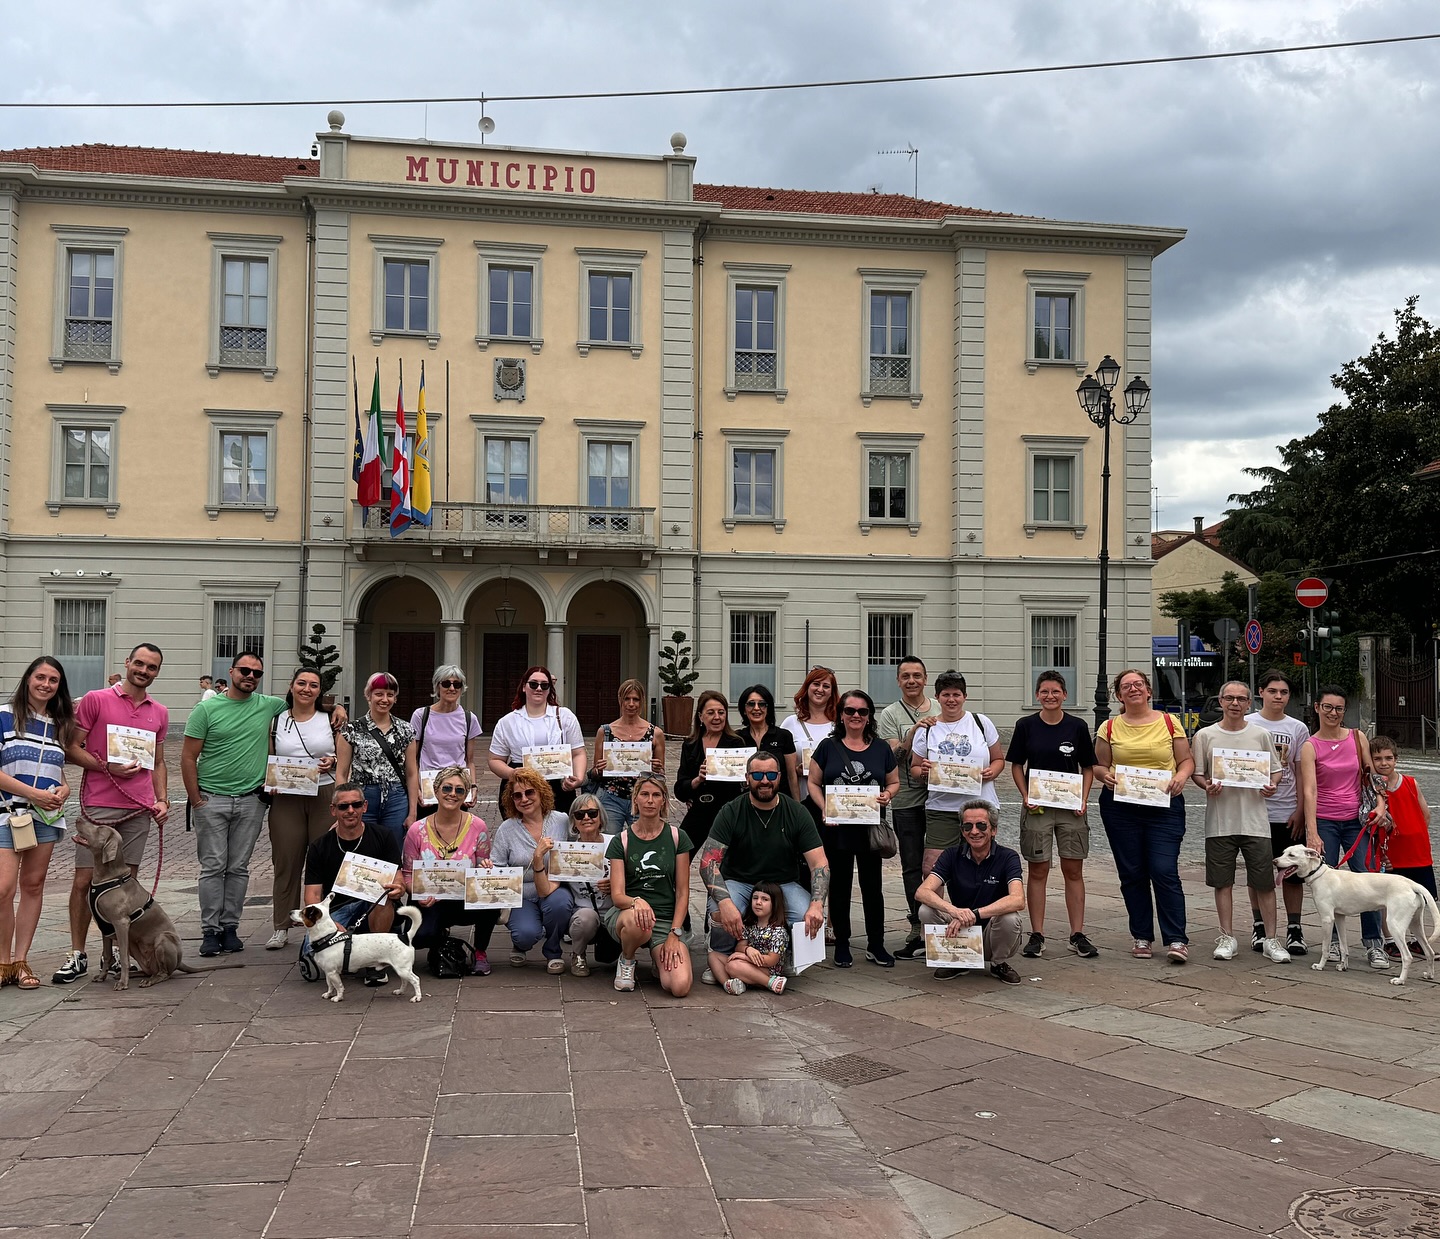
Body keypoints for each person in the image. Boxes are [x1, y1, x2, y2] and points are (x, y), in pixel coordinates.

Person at [56, 643, 169, 985]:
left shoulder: (159, 712)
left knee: (125, 886)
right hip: (99, 807)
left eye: (151, 667)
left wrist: (162, 800)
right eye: (139, 663)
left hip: (138, 809)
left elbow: (158, 762)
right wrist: (108, 767)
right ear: (128, 662)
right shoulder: (96, 699)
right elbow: (71, 749)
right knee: (84, 882)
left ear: (157, 672)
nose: (144, 671)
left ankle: (119, 951)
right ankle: (78, 954)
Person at [182, 650, 292, 958]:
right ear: (231, 672)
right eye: (245, 670)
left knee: (238, 868)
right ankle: (210, 930)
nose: (250, 676)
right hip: (211, 799)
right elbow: (188, 757)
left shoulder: (269, 706)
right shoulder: (206, 709)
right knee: (213, 867)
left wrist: (337, 708)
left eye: (257, 673)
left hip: (250, 801)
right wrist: (196, 799)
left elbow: (303, 703)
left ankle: (230, 927)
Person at [700, 751, 829, 985]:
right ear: (747, 777)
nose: (765, 781)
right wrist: (726, 903)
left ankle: (784, 955)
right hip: (739, 880)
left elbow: (819, 863)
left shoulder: (796, 812)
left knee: (805, 914)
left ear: (779, 776)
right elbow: (708, 862)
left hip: (782, 883)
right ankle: (720, 954)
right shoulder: (731, 811)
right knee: (721, 910)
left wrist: (817, 904)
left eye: (771, 774)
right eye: (758, 775)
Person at [1093, 668, 1194, 963]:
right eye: (1126, 686)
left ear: (1148, 690)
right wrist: (1104, 776)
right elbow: (1099, 765)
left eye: (1138, 684)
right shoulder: (1109, 727)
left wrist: (1181, 777)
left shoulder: (1169, 722)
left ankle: (1176, 938)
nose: (1133, 689)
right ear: (1119, 695)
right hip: (1121, 809)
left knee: (1164, 870)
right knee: (1132, 872)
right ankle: (1142, 936)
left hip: (1164, 806)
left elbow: (1186, 760)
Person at [1190, 682, 1289, 963]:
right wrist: (1206, 785)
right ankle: (1227, 936)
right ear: (1221, 701)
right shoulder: (1205, 735)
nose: (1235, 703)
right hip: (1220, 821)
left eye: (1241, 699)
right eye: (1230, 698)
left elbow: (1276, 770)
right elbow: (1198, 773)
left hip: (1256, 822)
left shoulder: (1260, 734)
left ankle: (1271, 939)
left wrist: (1272, 785)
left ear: (1249, 703)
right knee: (1222, 883)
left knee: (1265, 883)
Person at [1006, 670, 1098, 960]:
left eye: (1055, 691)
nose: (1050, 696)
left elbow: (1088, 767)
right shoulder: (1026, 725)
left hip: (1071, 808)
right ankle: (1037, 934)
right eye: (1044, 692)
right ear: (1037, 695)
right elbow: (1016, 765)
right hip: (1038, 808)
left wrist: (1083, 799)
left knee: (1073, 870)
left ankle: (1077, 934)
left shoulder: (1077, 726)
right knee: (1038, 870)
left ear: (1065, 695)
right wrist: (1025, 795)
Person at [807, 689, 898, 968]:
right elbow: (813, 782)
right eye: (850, 710)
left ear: (869, 716)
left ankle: (876, 944)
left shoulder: (881, 748)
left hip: (869, 829)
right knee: (840, 887)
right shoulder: (828, 746)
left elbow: (894, 782)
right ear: (841, 715)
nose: (856, 715)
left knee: (873, 888)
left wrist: (888, 795)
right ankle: (843, 944)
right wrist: (823, 807)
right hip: (837, 828)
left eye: (862, 711)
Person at [1299, 684, 1388, 970]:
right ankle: (1335, 944)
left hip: (1356, 821)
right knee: (1328, 884)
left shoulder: (1357, 737)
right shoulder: (1310, 746)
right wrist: (1312, 832)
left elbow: (1371, 776)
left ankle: (1374, 943)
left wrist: (1381, 804)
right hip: (1325, 820)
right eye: (1327, 707)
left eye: (1339, 708)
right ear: (1317, 708)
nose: (1333, 713)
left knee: (1367, 879)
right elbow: (1310, 790)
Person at [0, 657, 75, 990]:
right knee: (3, 889)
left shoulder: (59, 723)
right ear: (28, 679)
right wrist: (32, 794)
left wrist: (64, 789)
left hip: (45, 816)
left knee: (33, 886)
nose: (46, 684)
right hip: (8, 813)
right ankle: (3, 961)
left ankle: (21, 961)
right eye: (40, 677)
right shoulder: (4, 715)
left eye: (53, 680)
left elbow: (56, 769)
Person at [263, 668, 339, 951]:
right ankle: (281, 925)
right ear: (291, 686)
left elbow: (342, 754)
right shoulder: (277, 720)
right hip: (286, 797)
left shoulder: (330, 719)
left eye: (313, 685)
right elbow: (269, 756)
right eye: (302, 683)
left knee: (324, 860)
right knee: (286, 861)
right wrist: (270, 780)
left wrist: (332, 761)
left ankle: (324, 925)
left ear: (320, 691)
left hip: (323, 794)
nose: (307, 689)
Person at [302, 781, 407, 985]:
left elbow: (398, 878)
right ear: (333, 810)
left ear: (364, 807)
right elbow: (312, 896)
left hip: (373, 907)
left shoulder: (383, 836)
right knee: (310, 954)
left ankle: (376, 964)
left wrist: (398, 888)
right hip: (336, 910)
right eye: (343, 806)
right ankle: (353, 951)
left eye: (356, 805)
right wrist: (330, 925)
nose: (351, 810)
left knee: (383, 897)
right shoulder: (319, 846)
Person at [401, 765, 498, 975]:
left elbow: (482, 868)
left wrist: (486, 868)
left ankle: (480, 952)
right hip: (431, 900)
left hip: (464, 899)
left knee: (491, 900)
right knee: (420, 937)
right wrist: (417, 894)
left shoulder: (478, 827)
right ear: (436, 790)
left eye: (459, 790)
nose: (452, 794)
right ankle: (438, 941)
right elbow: (407, 874)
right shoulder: (416, 830)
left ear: (465, 796)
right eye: (447, 788)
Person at [916, 799, 1025, 983]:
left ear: (994, 830)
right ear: (962, 831)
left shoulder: (1008, 857)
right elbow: (922, 891)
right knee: (925, 910)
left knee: (1010, 918)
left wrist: (975, 914)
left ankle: (998, 963)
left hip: (991, 931)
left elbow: (1018, 900)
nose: (974, 831)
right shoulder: (951, 854)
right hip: (958, 929)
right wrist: (954, 911)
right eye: (968, 826)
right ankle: (957, 960)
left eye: (981, 825)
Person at [604, 772, 693, 996]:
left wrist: (674, 934)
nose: (650, 800)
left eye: (656, 795)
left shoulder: (678, 837)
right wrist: (637, 901)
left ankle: (658, 958)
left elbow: (683, 893)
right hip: (629, 914)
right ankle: (627, 960)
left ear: (664, 800)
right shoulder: (621, 841)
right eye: (644, 794)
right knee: (639, 922)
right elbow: (617, 895)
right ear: (635, 799)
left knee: (679, 986)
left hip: (664, 918)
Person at [1244, 670, 1313, 956]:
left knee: (1293, 874)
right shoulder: (1248, 723)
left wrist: (1300, 809)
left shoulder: (1298, 728)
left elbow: (1300, 771)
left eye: (1283, 692)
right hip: (1255, 812)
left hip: (1286, 812)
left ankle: (1294, 928)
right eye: (1273, 691)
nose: (1278, 696)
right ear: (1261, 692)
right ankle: (1259, 925)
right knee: (1258, 873)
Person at [910, 670, 1004, 876]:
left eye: (956, 694)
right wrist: (923, 771)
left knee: (980, 865)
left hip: (980, 805)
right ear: (937, 697)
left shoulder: (980, 722)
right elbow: (915, 768)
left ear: (964, 696)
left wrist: (992, 772)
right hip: (942, 807)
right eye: (946, 695)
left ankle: (976, 899)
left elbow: (998, 759)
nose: (951, 700)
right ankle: (933, 900)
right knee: (932, 868)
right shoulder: (927, 729)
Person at [877, 655, 936, 958]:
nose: (912, 681)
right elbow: (893, 757)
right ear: (898, 681)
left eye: (917, 675)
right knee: (912, 865)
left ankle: (942, 919)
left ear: (925, 679)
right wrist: (912, 734)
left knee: (941, 863)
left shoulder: (941, 707)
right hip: (906, 800)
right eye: (906, 676)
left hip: (941, 799)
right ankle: (917, 924)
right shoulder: (890, 714)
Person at [490, 766, 575, 972]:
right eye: (517, 795)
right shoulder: (507, 829)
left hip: (554, 887)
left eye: (529, 792)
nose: (524, 799)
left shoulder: (562, 820)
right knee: (526, 934)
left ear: (541, 792)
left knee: (561, 905)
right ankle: (521, 944)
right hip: (521, 894)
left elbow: (576, 852)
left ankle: (553, 950)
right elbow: (497, 866)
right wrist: (488, 869)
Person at [1369, 736, 1436, 959]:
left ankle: (1417, 940)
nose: (1384, 763)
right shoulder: (1373, 788)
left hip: (1417, 852)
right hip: (1391, 854)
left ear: (1396, 759)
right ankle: (1390, 941)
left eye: (1388, 758)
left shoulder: (1410, 782)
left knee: (1420, 899)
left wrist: (1415, 834)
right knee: (1389, 899)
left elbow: (1425, 814)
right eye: (1378, 758)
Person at [335, 672, 418, 849]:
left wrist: (412, 812)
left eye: (390, 694)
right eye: (379, 694)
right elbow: (341, 773)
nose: (384, 699)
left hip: (396, 798)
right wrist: (342, 805)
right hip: (362, 796)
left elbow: (411, 773)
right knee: (362, 848)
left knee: (393, 848)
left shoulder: (406, 730)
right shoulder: (351, 730)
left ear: (395, 698)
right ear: (369, 696)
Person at [487, 666, 586, 814]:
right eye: (533, 684)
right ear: (524, 687)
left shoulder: (565, 716)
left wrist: (578, 777)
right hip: (521, 784)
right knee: (520, 827)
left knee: (559, 826)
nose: (539, 688)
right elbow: (494, 759)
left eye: (544, 685)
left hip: (558, 784)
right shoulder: (507, 722)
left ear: (549, 689)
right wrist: (511, 773)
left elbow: (578, 752)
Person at [674, 690, 751, 853]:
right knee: (679, 854)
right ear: (700, 716)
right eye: (711, 713)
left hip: (728, 814)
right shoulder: (690, 744)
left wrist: (745, 780)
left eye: (721, 712)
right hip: (699, 811)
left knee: (726, 861)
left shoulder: (737, 743)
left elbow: (743, 787)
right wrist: (697, 780)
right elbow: (680, 789)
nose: (717, 717)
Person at [410, 665, 482, 819]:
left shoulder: (469, 718)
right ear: (437, 686)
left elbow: (469, 761)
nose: (452, 688)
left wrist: (473, 786)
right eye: (446, 683)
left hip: (457, 787)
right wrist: (416, 789)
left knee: (457, 830)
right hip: (429, 788)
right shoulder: (421, 715)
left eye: (457, 684)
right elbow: (412, 759)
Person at [590, 678, 664, 830]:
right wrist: (599, 769)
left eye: (635, 699)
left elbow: (660, 776)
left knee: (643, 840)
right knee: (609, 840)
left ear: (642, 701)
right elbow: (594, 772)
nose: (631, 704)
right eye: (627, 699)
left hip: (642, 798)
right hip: (611, 797)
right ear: (620, 700)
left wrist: (657, 768)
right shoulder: (605, 732)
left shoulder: (655, 733)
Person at [561, 792, 621, 975]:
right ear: (574, 822)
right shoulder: (566, 851)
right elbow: (550, 888)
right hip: (584, 911)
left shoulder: (616, 843)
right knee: (585, 918)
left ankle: (628, 958)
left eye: (592, 813)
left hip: (615, 910)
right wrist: (539, 860)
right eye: (580, 815)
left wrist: (616, 885)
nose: (586, 817)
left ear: (601, 817)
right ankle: (578, 955)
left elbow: (632, 878)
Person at [780, 667, 839, 825]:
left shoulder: (839, 725)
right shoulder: (790, 723)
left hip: (833, 801)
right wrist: (795, 770)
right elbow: (779, 762)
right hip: (800, 796)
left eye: (826, 686)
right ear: (807, 687)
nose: (820, 689)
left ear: (832, 692)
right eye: (816, 684)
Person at [710, 882, 789, 995]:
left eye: (765, 899)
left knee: (733, 965)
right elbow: (739, 947)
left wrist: (745, 957)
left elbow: (771, 960)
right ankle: (729, 984)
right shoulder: (749, 924)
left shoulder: (778, 931)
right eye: (755, 898)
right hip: (746, 964)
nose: (758, 902)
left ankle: (771, 982)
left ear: (775, 904)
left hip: (767, 970)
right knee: (713, 956)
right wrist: (747, 950)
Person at [736, 685, 799, 800]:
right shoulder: (737, 738)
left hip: (780, 800)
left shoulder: (783, 736)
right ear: (744, 710)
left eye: (762, 704)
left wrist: (797, 805)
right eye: (751, 704)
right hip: (746, 802)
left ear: (768, 708)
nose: (756, 708)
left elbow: (792, 776)